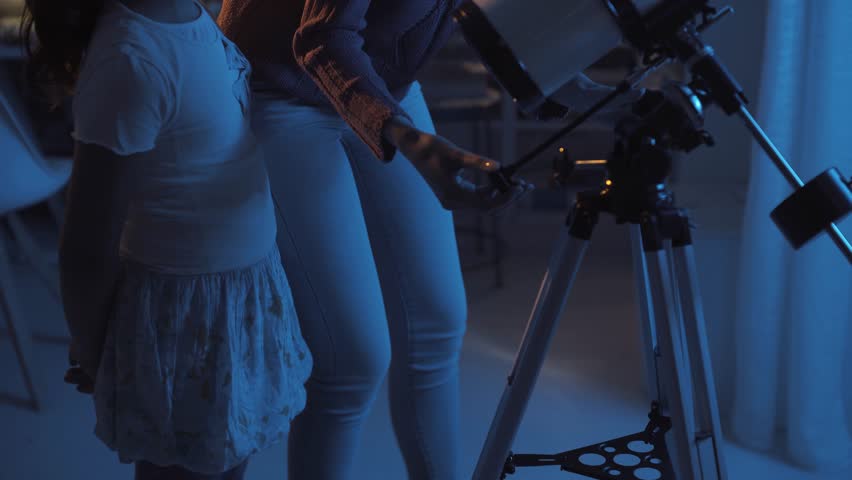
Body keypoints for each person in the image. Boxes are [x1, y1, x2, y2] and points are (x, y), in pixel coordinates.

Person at [216, 1, 642, 479]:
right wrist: (415, 143)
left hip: (381, 83)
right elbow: (322, 39)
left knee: (436, 322)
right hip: (281, 87)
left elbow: (485, 12)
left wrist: (566, 83)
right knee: (351, 361)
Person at [21, 1, 312, 479]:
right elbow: (87, 245)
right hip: (188, 320)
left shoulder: (188, 15)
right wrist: (97, 353)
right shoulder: (130, 58)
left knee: (225, 460)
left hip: (238, 299)